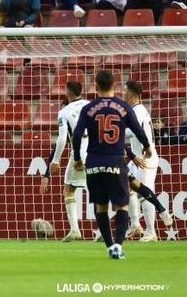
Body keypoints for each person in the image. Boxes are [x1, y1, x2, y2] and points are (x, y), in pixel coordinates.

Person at [71, 70, 152, 259]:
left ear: (96, 86)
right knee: (122, 206)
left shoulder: (88, 108)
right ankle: (118, 245)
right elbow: (138, 130)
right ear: (114, 86)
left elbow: (76, 134)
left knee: (100, 207)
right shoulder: (122, 106)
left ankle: (109, 247)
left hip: (94, 162)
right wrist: (147, 147)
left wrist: (76, 158)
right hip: (116, 161)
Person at [40, 81, 89, 242]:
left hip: (79, 154)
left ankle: (75, 230)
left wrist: (55, 161)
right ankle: (104, 232)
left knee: (68, 189)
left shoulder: (64, 112)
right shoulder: (91, 106)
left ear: (67, 92)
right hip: (97, 153)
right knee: (98, 190)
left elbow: (61, 139)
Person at [121, 81, 165, 242]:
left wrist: (114, 132)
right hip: (137, 158)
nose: (122, 93)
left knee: (143, 193)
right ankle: (135, 224)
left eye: (124, 91)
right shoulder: (135, 110)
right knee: (127, 187)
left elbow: (133, 132)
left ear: (132, 93)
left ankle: (151, 232)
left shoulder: (138, 111)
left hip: (146, 157)